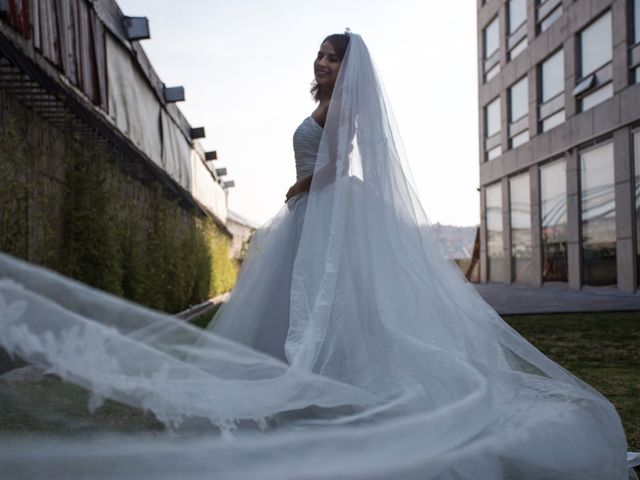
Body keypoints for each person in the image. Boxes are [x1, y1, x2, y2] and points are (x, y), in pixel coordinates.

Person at [0, 32, 637, 480]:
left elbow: (334, 165)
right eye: (321, 56)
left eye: (332, 57)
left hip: (325, 208)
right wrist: (304, 189)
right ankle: (298, 380)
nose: (323, 62)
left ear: (348, 66)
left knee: (330, 298)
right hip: (314, 210)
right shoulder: (325, 103)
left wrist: (300, 188)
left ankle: (320, 380)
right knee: (304, 300)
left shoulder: (341, 106)